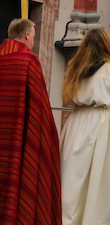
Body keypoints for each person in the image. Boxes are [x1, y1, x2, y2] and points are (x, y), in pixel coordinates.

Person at [60, 28, 110, 225]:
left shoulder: (74, 70)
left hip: (76, 122)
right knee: (104, 176)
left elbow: (68, 97)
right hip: (104, 124)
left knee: (73, 176)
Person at [0, 16, 61, 225]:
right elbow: (39, 111)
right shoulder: (28, 61)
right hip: (18, 141)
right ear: (26, 35)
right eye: (33, 36)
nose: (33, 41)